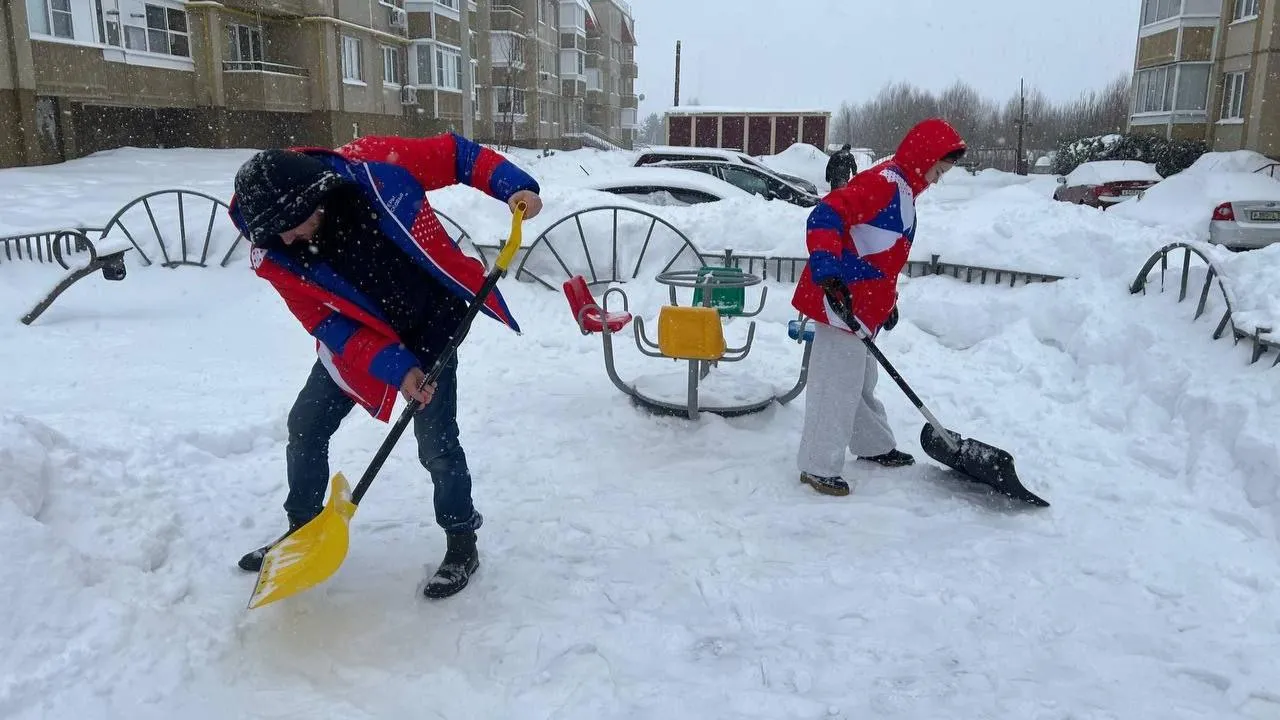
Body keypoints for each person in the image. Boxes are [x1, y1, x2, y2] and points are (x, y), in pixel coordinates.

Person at [227, 132, 543, 598]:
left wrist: (512, 185)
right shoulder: (278, 255)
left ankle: (461, 542)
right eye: (276, 234)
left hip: (433, 325)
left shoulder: (376, 169)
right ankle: (301, 528)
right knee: (307, 424)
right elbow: (328, 325)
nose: (287, 238)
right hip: (364, 340)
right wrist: (397, 368)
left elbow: (456, 155)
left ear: (314, 197)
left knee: (436, 444)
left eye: (292, 225)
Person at [791, 118, 966, 497]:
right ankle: (818, 467)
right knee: (834, 386)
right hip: (840, 299)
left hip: (863, 306)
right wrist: (828, 272)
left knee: (860, 381)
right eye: (939, 169)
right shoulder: (883, 184)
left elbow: (883, 257)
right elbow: (825, 216)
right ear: (924, 159)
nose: (937, 179)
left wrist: (888, 303)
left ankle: (872, 445)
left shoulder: (904, 192)